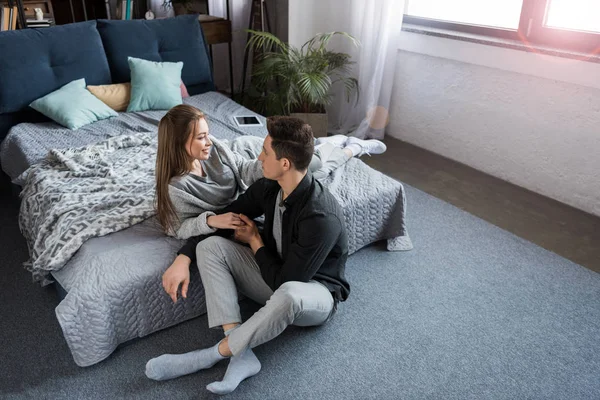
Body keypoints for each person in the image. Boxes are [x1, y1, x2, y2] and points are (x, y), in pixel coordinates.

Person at [145, 116, 351, 395]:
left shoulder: (321, 217)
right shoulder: (270, 186)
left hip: (313, 294)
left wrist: (255, 240)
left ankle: (212, 355)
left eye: (265, 152)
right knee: (209, 246)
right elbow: (227, 216)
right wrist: (184, 256)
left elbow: (284, 283)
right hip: (275, 272)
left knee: (289, 293)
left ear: (285, 163)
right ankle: (242, 356)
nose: (258, 157)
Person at [154, 104, 387, 240]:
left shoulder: (213, 148)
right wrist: (212, 220)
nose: (209, 141)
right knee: (311, 171)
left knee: (308, 168)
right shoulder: (177, 188)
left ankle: (340, 147)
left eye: (208, 134)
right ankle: (345, 147)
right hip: (246, 201)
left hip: (253, 172)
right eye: (201, 137)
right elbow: (177, 228)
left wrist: (267, 168)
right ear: (178, 142)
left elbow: (243, 169)